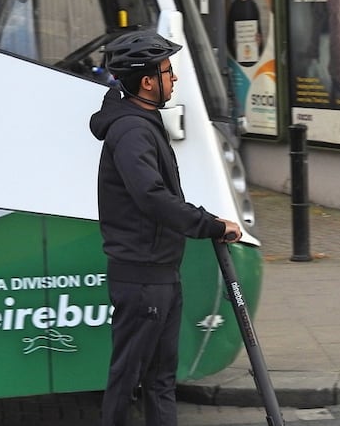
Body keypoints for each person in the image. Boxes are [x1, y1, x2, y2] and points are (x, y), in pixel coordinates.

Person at [89, 30, 243, 426]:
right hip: (143, 279)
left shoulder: (142, 122)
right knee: (127, 381)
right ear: (147, 81)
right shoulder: (132, 131)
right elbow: (152, 198)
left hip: (159, 273)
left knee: (160, 379)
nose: (173, 79)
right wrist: (208, 225)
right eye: (168, 72)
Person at [225, 0, 262, 67]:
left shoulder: (254, 7)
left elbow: (260, 40)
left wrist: (259, 42)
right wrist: (233, 45)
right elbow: (228, 39)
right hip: (237, 64)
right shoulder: (233, 8)